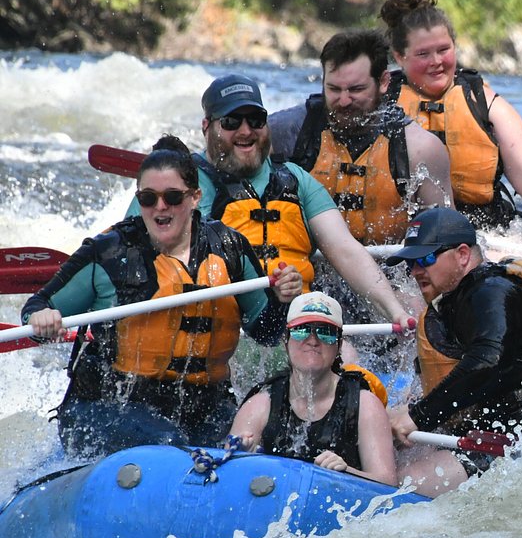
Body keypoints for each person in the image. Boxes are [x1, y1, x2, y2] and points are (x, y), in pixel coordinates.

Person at [23, 136, 305, 455]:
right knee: (169, 445)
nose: (160, 207)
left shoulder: (230, 249)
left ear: (195, 197)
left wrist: (282, 298)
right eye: (148, 197)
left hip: (204, 408)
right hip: (108, 407)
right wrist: (41, 319)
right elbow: (37, 306)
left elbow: (266, 334)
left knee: (248, 446)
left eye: (172, 196)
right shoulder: (108, 254)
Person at [385, 208, 522, 496]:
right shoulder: (463, 298)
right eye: (410, 264)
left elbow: (488, 361)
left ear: (463, 254)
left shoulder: (492, 289)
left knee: (408, 482)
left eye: (426, 259)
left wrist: (419, 416)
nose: (416, 271)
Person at [189, 73, 415, 328]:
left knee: (346, 354)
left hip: (298, 329)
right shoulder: (178, 185)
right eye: (231, 122)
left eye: (255, 120)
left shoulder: (295, 179)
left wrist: (395, 311)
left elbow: (345, 249)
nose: (246, 131)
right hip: (220, 329)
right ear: (207, 126)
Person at [380, 0, 522, 227]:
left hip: (485, 235)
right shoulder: (381, 106)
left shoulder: (485, 103)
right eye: (423, 54)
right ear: (399, 56)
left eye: (443, 50)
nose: (436, 62)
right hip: (409, 235)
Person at [268, 29, 451, 245]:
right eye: (334, 89)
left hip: (388, 270)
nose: (344, 101)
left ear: (383, 82)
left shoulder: (421, 149)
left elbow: (446, 242)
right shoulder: (284, 132)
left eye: (356, 89)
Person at [230, 291, 398, 486]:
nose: (312, 340)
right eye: (301, 330)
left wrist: (346, 471)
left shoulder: (365, 406)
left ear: (339, 345)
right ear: (286, 340)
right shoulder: (261, 404)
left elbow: (387, 484)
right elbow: (228, 475)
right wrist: (241, 455)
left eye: (325, 332)